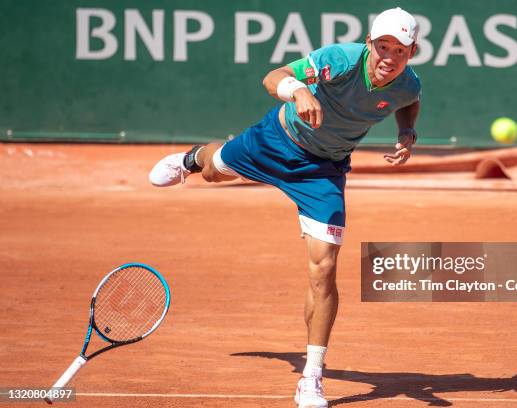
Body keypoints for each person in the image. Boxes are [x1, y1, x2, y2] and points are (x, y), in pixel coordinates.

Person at [149, 7, 421, 408]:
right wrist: (298, 90)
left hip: (322, 174)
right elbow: (272, 76)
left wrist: (406, 130)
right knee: (214, 171)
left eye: (400, 51)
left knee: (324, 269)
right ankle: (192, 159)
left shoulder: (408, 85)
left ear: (412, 52)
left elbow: (409, 101)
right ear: (369, 44)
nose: (389, 58)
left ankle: (312, 376)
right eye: (383, 47)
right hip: (275, 140)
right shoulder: (341, 60)